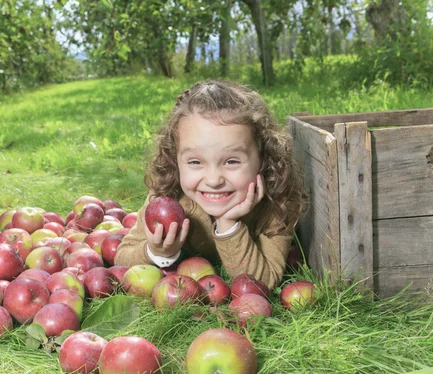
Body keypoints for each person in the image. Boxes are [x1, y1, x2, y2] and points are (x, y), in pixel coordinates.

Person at [114, 79, 305, 290]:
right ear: (174, 160)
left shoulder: (277, 202)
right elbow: (122, 257)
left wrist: (228, 223)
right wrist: (157, 252)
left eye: (231, 161)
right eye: (195, 162)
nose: (213, 181)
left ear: (262, 157)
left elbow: (262, 282)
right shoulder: (166, 198)